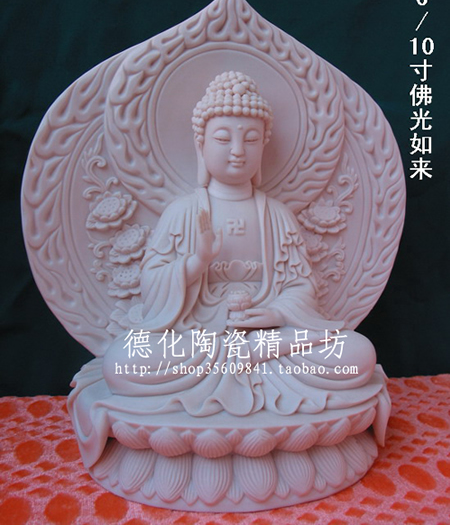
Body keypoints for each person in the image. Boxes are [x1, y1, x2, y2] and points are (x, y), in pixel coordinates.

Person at [102, 72, 379, 416]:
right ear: (200, 145)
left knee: (357, 354)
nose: (237, 151)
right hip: (198, 342)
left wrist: (277, 313)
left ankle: (247, 357)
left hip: (268, 340)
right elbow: (152, 285)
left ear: (263, 146)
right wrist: (195, 262)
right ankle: (243, 361)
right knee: (121, 362)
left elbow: (301, 285)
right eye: (223, 138)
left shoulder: (277, 215)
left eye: (250, 140)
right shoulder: (182, 213)